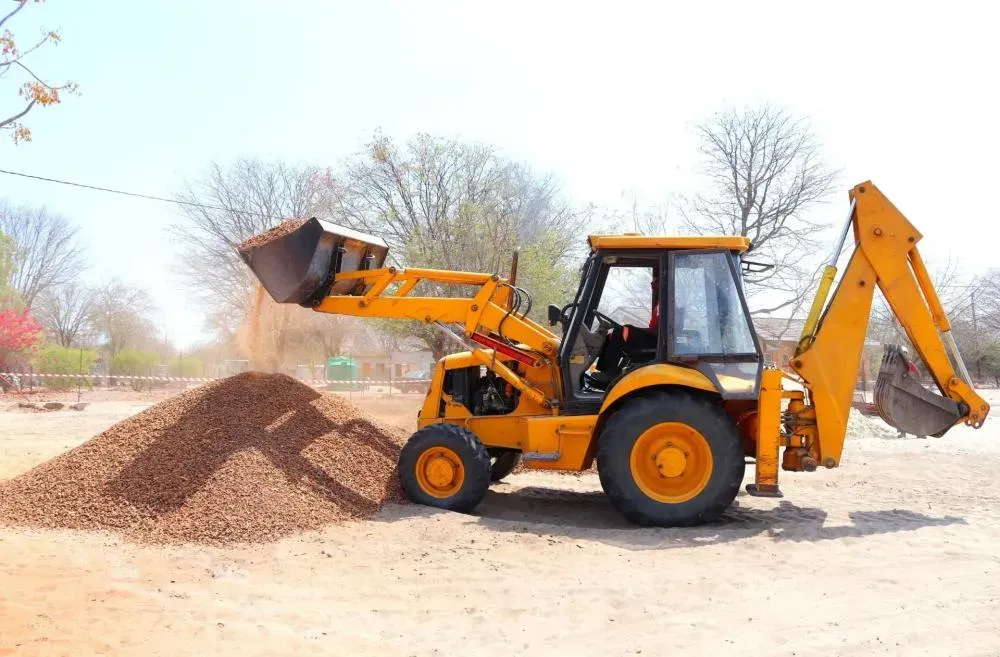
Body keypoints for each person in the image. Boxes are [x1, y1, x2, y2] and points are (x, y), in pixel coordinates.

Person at [593, 271, 659, 382]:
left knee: (621, 331)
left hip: (656, 342)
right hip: (654, 339)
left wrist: (633, 328)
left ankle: (610, 373)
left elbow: (657, 331)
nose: (652, 284)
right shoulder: (660, 304)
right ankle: (604, 371)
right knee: (611, 334)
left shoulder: (666, 305)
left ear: (663, 283)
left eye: (655, 281)